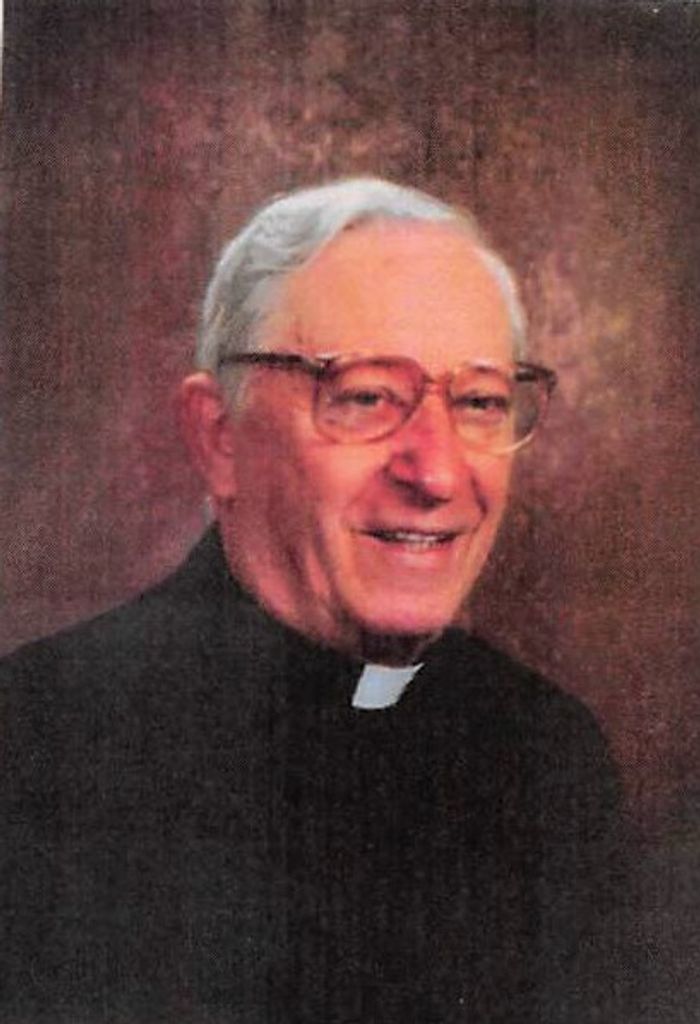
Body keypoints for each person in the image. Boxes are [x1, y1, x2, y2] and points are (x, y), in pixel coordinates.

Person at [1, 179, 626, 1023]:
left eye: (480, 402)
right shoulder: (38, 743)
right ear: (219, 438)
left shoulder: (549, 754)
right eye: (365, 397)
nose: (437, 472)